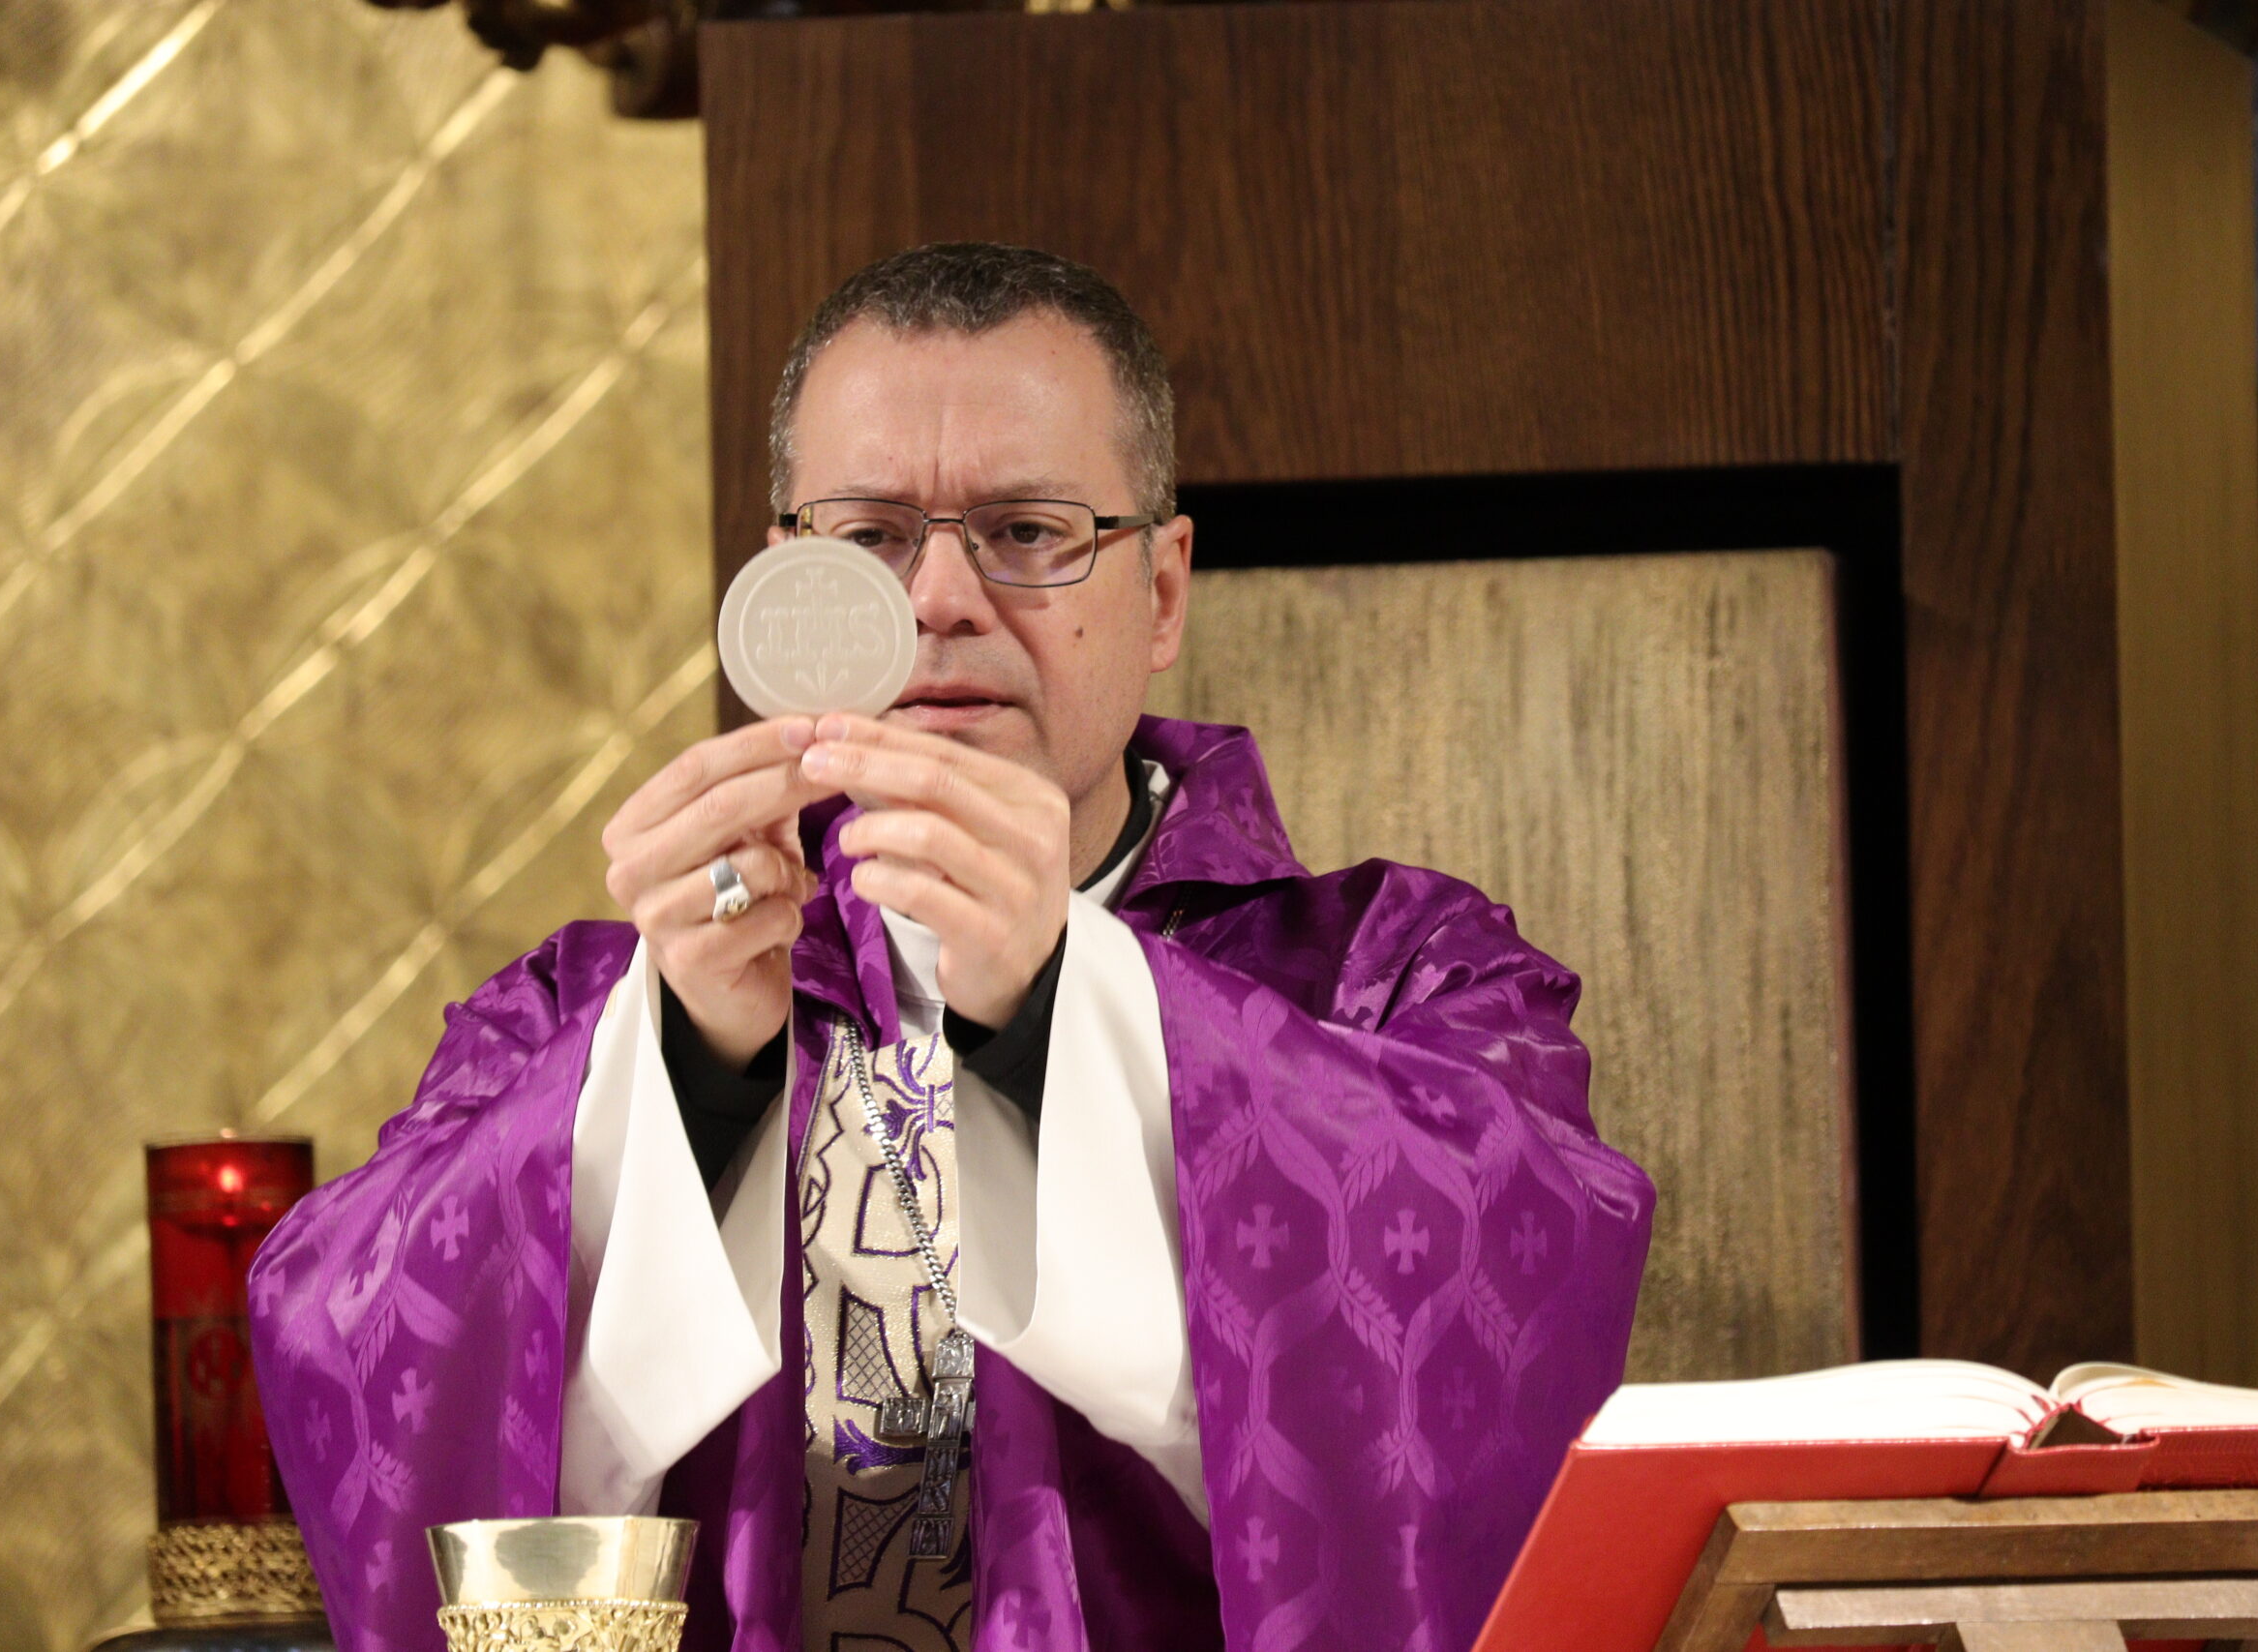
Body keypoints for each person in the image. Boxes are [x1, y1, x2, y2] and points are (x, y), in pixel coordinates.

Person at [252, 242, 1654, 1652]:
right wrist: (689, 1073)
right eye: (868, 539)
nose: (937, 598)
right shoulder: (581, 1008)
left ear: (1163, 591)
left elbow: (1522, 1301)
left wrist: (1056, 1006)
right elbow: (339, 1334)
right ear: (785, 584)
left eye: (1028, 531)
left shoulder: (1402, 976)